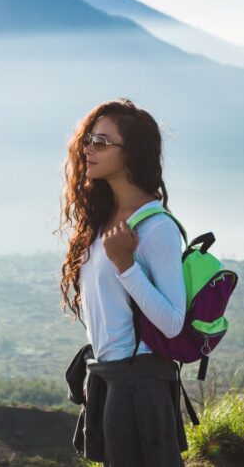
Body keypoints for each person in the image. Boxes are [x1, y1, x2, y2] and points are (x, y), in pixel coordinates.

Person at [57, 98, 187, 466]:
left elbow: (173, 323)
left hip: (140, 384)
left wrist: (126, 265)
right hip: (110, 376)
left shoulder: (156, 228)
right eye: (88, 139)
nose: (88, 149)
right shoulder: (104, 219)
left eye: (101, 142)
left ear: (132, 154)